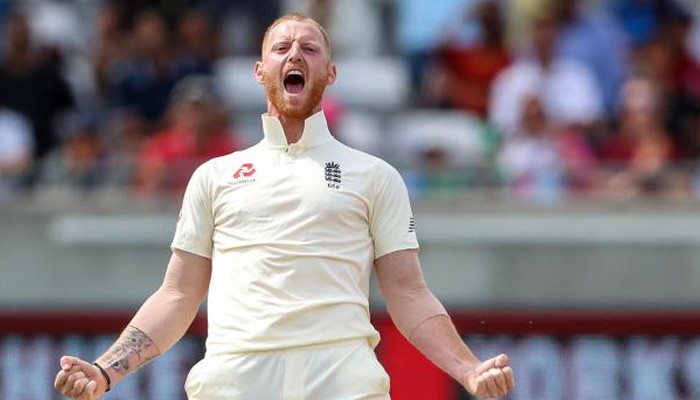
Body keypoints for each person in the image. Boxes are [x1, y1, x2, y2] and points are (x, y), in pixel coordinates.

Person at [54, 14, 515, 400]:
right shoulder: (214, 176)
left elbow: (409, 295)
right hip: (235, 386)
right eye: (282, 48)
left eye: (310, 49)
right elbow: (177, 296)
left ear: (330, 73)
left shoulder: (375, 176)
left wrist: (468, 370)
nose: (295, 55)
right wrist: (105, 370)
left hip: (342, 386)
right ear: (260, 71)